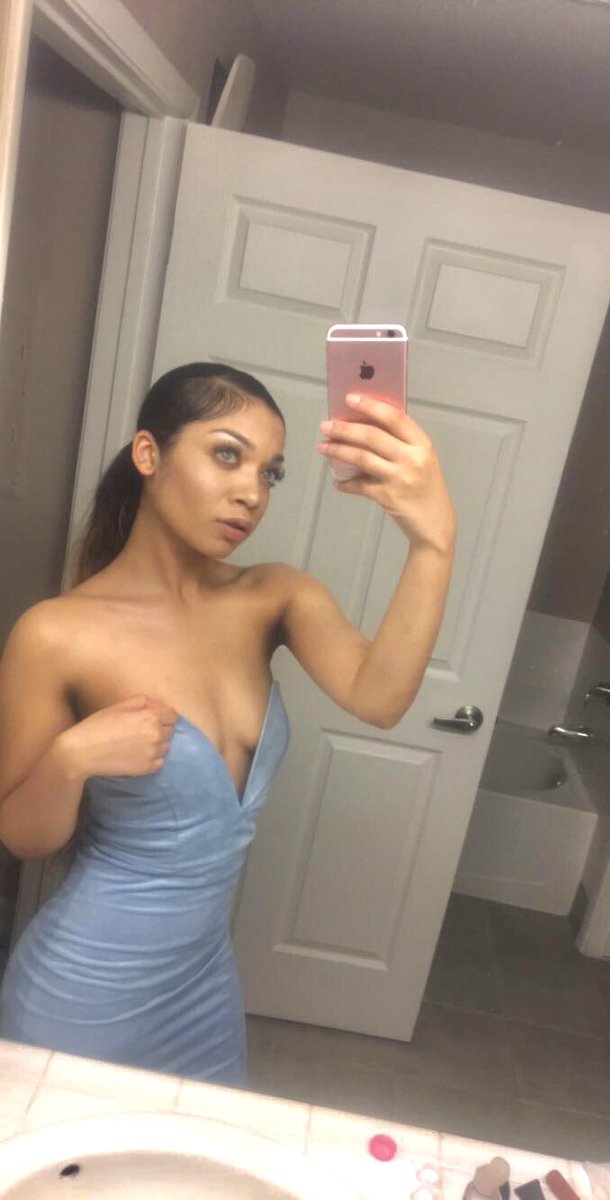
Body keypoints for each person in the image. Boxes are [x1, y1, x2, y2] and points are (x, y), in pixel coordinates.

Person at [0, 361, 456, 1086]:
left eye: (270, 474)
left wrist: (433, 540)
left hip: (202, 992)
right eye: (226, 454)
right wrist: (71, 759)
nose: (251, 492)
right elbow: (23, 837)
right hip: (83, 992)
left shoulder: (273, 597)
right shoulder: (56, 634)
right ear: (148, 454)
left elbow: (381, 698)